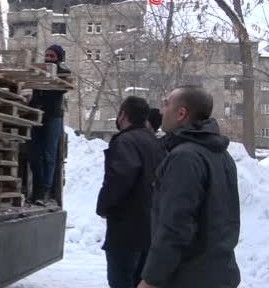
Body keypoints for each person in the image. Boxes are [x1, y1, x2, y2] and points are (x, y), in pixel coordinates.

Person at [138, 86, 241, 288]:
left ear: (181, 113)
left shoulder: (185, 158)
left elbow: (175, 226)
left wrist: (151, 279)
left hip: (188, 278)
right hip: (220, 274)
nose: (161, 110)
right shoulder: (221, 155)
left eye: (166, 103)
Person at [96, 96, 166, 288]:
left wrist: (103, 206)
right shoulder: (154, 142)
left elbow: (119, 179)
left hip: (126, 231)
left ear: (123, 114)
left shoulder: (125, 141)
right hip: (149, 229)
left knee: (121, 281)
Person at [29, 44, 69, 202]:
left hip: (53, 117)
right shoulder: (38, 71)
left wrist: (52, 75)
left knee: (49, 155)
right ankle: (38, 187)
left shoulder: (63, 73)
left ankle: (46, 190)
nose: (48, 58)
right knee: (34, 155)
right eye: (47, 55)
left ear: (59, 58)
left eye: (52, 56)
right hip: (37, 116)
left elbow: (61, 88)